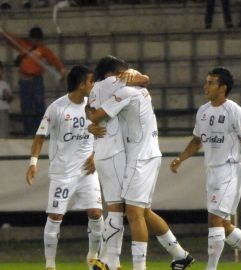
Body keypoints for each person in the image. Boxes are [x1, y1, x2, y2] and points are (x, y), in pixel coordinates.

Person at [85, 55, 194, 270]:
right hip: (144, 153)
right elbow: (145, 79)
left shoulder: (125, 92)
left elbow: (96, 115)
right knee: (143, 211)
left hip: (141, 157)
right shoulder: (133, 88)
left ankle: (136, 266)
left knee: (133, 213)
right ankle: (180, 254)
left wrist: (89, 123)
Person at [170, 67, 241, 270]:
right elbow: (197, 140)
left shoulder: (235, 112)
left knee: (215, 220)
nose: (205, 86)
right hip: (212, 171)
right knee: (223, 224)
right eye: (206, 81)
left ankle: (211, 268)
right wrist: (180, 158)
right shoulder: (203, 111)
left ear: (223, 87)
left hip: (229, 170)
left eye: (211, 82)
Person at [25, 65, 103, 270]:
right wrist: (33, 163)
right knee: (55, 216)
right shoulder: (57, 108)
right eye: (90, 81)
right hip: (63, 173)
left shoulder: (94, 106)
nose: (93, 85)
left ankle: (93, 258)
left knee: (96, 213)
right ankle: (50, 264)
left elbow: (104, 133)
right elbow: (40, 136)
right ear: (80, 84)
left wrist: (96, 155)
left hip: (87, 171)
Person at [87, 57, 150, 270]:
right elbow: (144, 80)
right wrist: (134, 73)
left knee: (116, 208)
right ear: (112, 73)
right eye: (122, 72)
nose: (126, 76)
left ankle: (110, 261)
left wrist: (89, 125)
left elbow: (89, 112)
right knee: (116, 210)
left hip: (102, 151)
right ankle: (107, 260)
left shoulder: (95, 87)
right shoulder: (113, 83)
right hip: (114, 151)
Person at [1, 26, 65, 135]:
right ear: (31, 38)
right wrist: (3, 31)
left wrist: (61, 69)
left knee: (39, 107)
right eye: (34, 39)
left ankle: (41, 131)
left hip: (37, 80)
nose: (36, 41)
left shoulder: (43, 49)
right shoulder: (22, 45)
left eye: (38, 39)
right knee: (26, 107)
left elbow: (53, 59)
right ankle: (28, 132)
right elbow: (11, 39)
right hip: (25, 80)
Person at [0, 61, 13, 138]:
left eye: (0, 69)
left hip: (3, 111)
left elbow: (10, 99)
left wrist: (7, 96)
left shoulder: (5, 84)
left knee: (3, 135)